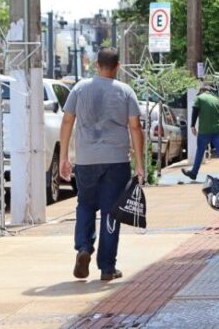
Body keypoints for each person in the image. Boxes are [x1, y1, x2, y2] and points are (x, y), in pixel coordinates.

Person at [59, 48, 144, 282]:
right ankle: (107, 268)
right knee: (110, 212)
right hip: (116, 160)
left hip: (86, 160)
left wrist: (64, 157)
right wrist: (140, 163)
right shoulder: (125, 91)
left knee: (85, 205)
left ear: (97, 65)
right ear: (117, 66)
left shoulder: (79, 88)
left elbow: (67, 120)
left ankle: (84, 247)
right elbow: (135, 127)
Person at [182, 85, 219, 180]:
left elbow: (195, 111)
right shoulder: (216, 100)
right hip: (217, 130)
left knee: (200, 152)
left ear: (202, 91)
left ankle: (194, 173)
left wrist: (192, 125)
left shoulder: (199, 98)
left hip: (204, 131)